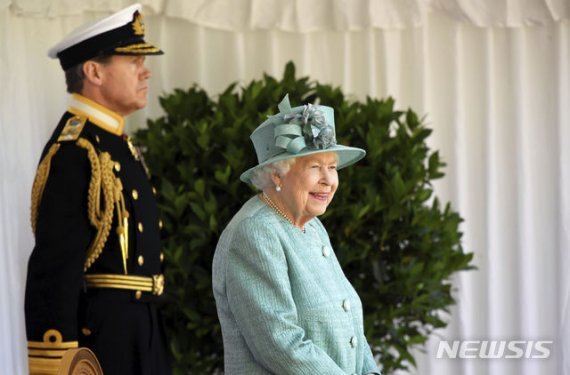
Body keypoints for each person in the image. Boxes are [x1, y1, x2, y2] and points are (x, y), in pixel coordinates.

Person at [24, 4, 171, 374]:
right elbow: (53, 271)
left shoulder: (118, 143)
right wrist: (57, 363)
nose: (145, 71)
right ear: (94, 72)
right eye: (133, 61)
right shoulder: (77, 150)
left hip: (142, 331)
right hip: (104, 341)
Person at [212, 94, 382, 374]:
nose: (328, 180)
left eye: (332, 167)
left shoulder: (311, 226)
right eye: (315, 167)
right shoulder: (255, 232)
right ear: (277, 175)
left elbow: (348, 319)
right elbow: (282, 345)